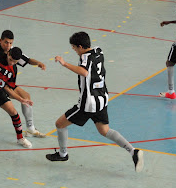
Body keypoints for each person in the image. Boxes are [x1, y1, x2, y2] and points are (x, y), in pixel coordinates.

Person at [45, 32, 144, 173]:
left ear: (80, 46)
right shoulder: (98, 51)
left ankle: (63, 154)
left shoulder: (84, 57)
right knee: (105, 130)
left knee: (59, 124)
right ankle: (133, 151)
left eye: (74, 48)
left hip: (88, 103)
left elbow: (84, 72)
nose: (74, 50)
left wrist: (64, 63)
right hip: (101, 99)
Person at [0, 30, 47, 151]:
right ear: (0, 41)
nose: (8, 45)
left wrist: (39, 63)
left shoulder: (13, 52)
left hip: (8, 83)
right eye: (6, 42)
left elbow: (27, 60)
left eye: (10, 43)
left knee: (26, 96)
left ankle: (30, 129)